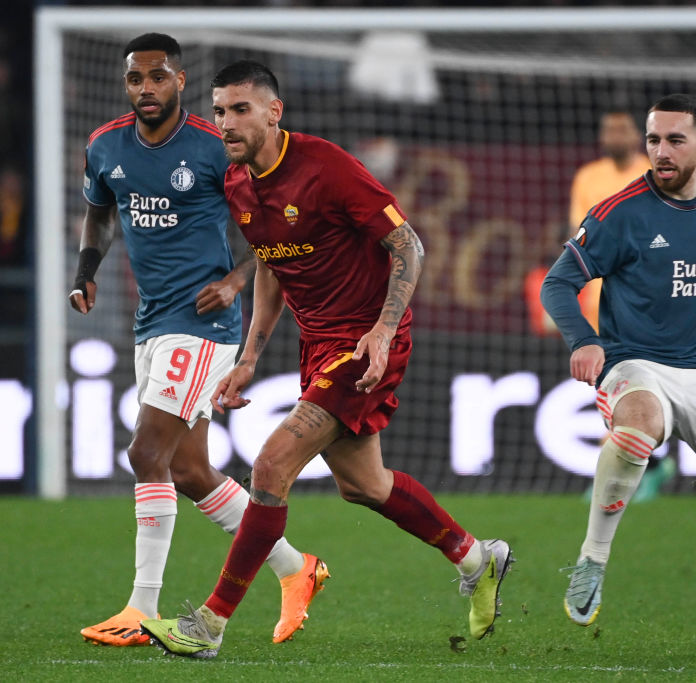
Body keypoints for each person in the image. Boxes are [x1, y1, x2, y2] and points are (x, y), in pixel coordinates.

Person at [140, 60, 513, 659]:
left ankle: (208, 625)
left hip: (364, 342)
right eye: (218, 110)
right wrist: (250, 356)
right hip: (315, 345)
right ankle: (478, 557)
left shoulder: (326, 167)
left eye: (239, 109)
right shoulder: (238, 184)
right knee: (364, 485)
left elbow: (408, 244)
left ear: (273, 111)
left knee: (269, 467)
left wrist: (384, 330)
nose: (226, 123)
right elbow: (270, 265)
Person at [70, 35, 327, 648]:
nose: (145, 90)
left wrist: (238, 279)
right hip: (151, 320)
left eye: (157, 78)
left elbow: (262, 220)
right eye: (135, 80)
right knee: (187, 468)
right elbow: (102, 211)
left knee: (145, 454)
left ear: (180, 82)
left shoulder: (216, 149)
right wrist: (86, 268)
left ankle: (140, 608)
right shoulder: (106, 145)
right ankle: (297, 569)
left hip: (204, 325)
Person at [541, 93, 696, 627]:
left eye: (675, 139)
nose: (662, 151)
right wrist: (584, 339)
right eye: (654, 140)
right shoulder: (621, 212)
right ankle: (593, 559)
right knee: (638, 427)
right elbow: (559, 282)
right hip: (637, 365)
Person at [570, 111, 674, 503]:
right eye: (607, 127)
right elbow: (578, 242)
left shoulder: (657, 173)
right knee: (613, 386)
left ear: (640, 135)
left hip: (652, 299)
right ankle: (646, 464)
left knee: (647, 381)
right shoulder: (587, 177)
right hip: (601, 302)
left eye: (622, 128)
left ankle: (627, 470)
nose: (614, 134)